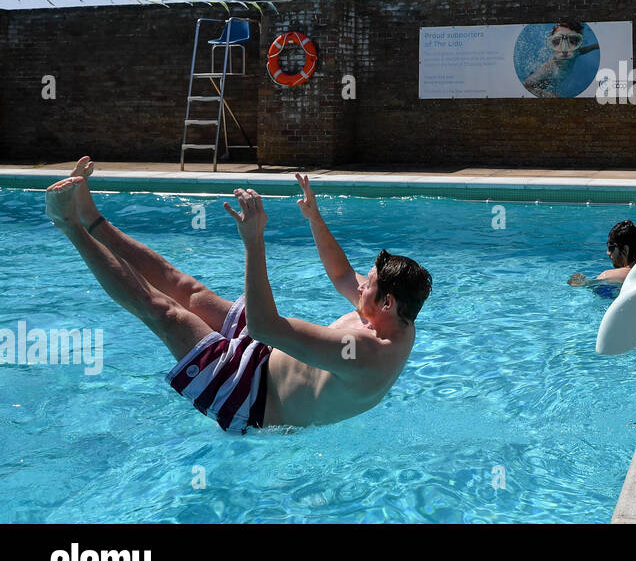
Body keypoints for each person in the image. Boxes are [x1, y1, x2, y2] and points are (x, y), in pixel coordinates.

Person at [44, 159, 430, 433]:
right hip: (268, 353)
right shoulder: (396, 316)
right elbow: (342, 274)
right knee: (185, 287)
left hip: (253, 397)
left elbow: (264, 327)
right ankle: (92, 218)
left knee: (164, 312)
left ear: (386, 303)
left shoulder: (365, 350)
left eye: (369, 284)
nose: (359, 285)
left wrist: (253, 241)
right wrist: (314, 217)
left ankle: (70, 226)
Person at [523, 21, 599, 97]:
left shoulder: (576, 53)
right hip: (542, 82)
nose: (564, 49)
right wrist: (548, 94)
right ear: (551, 45)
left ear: (578, 44)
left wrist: (595, 46)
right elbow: (527, 84)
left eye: (572, 41)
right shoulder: (549, 66)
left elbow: (583, 51)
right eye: (557, 42)